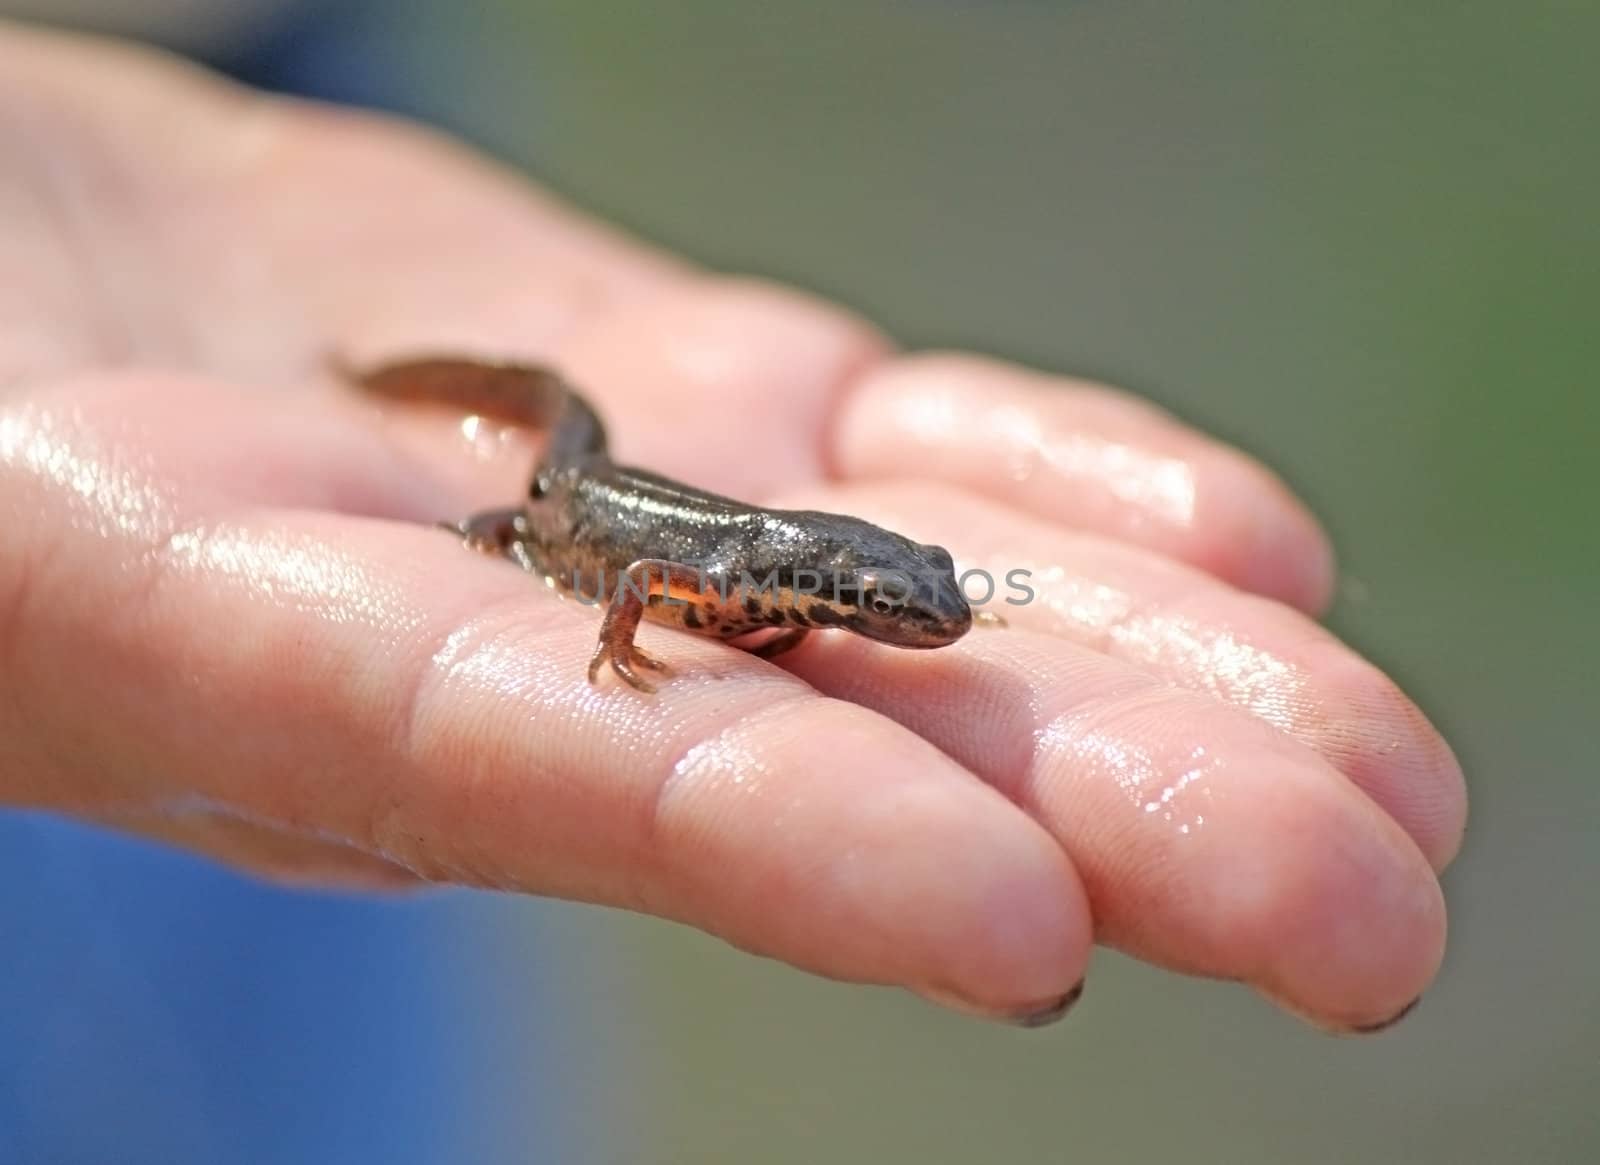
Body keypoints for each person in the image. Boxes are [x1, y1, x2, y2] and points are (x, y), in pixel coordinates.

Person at [0, 19, 1466, 1139]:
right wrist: (592, 619)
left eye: (916, 601)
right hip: (568, 492)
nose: (919, 622)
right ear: (830, 590)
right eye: (900, 606)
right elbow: (628, 563)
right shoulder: (720, 581)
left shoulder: (801, 585)